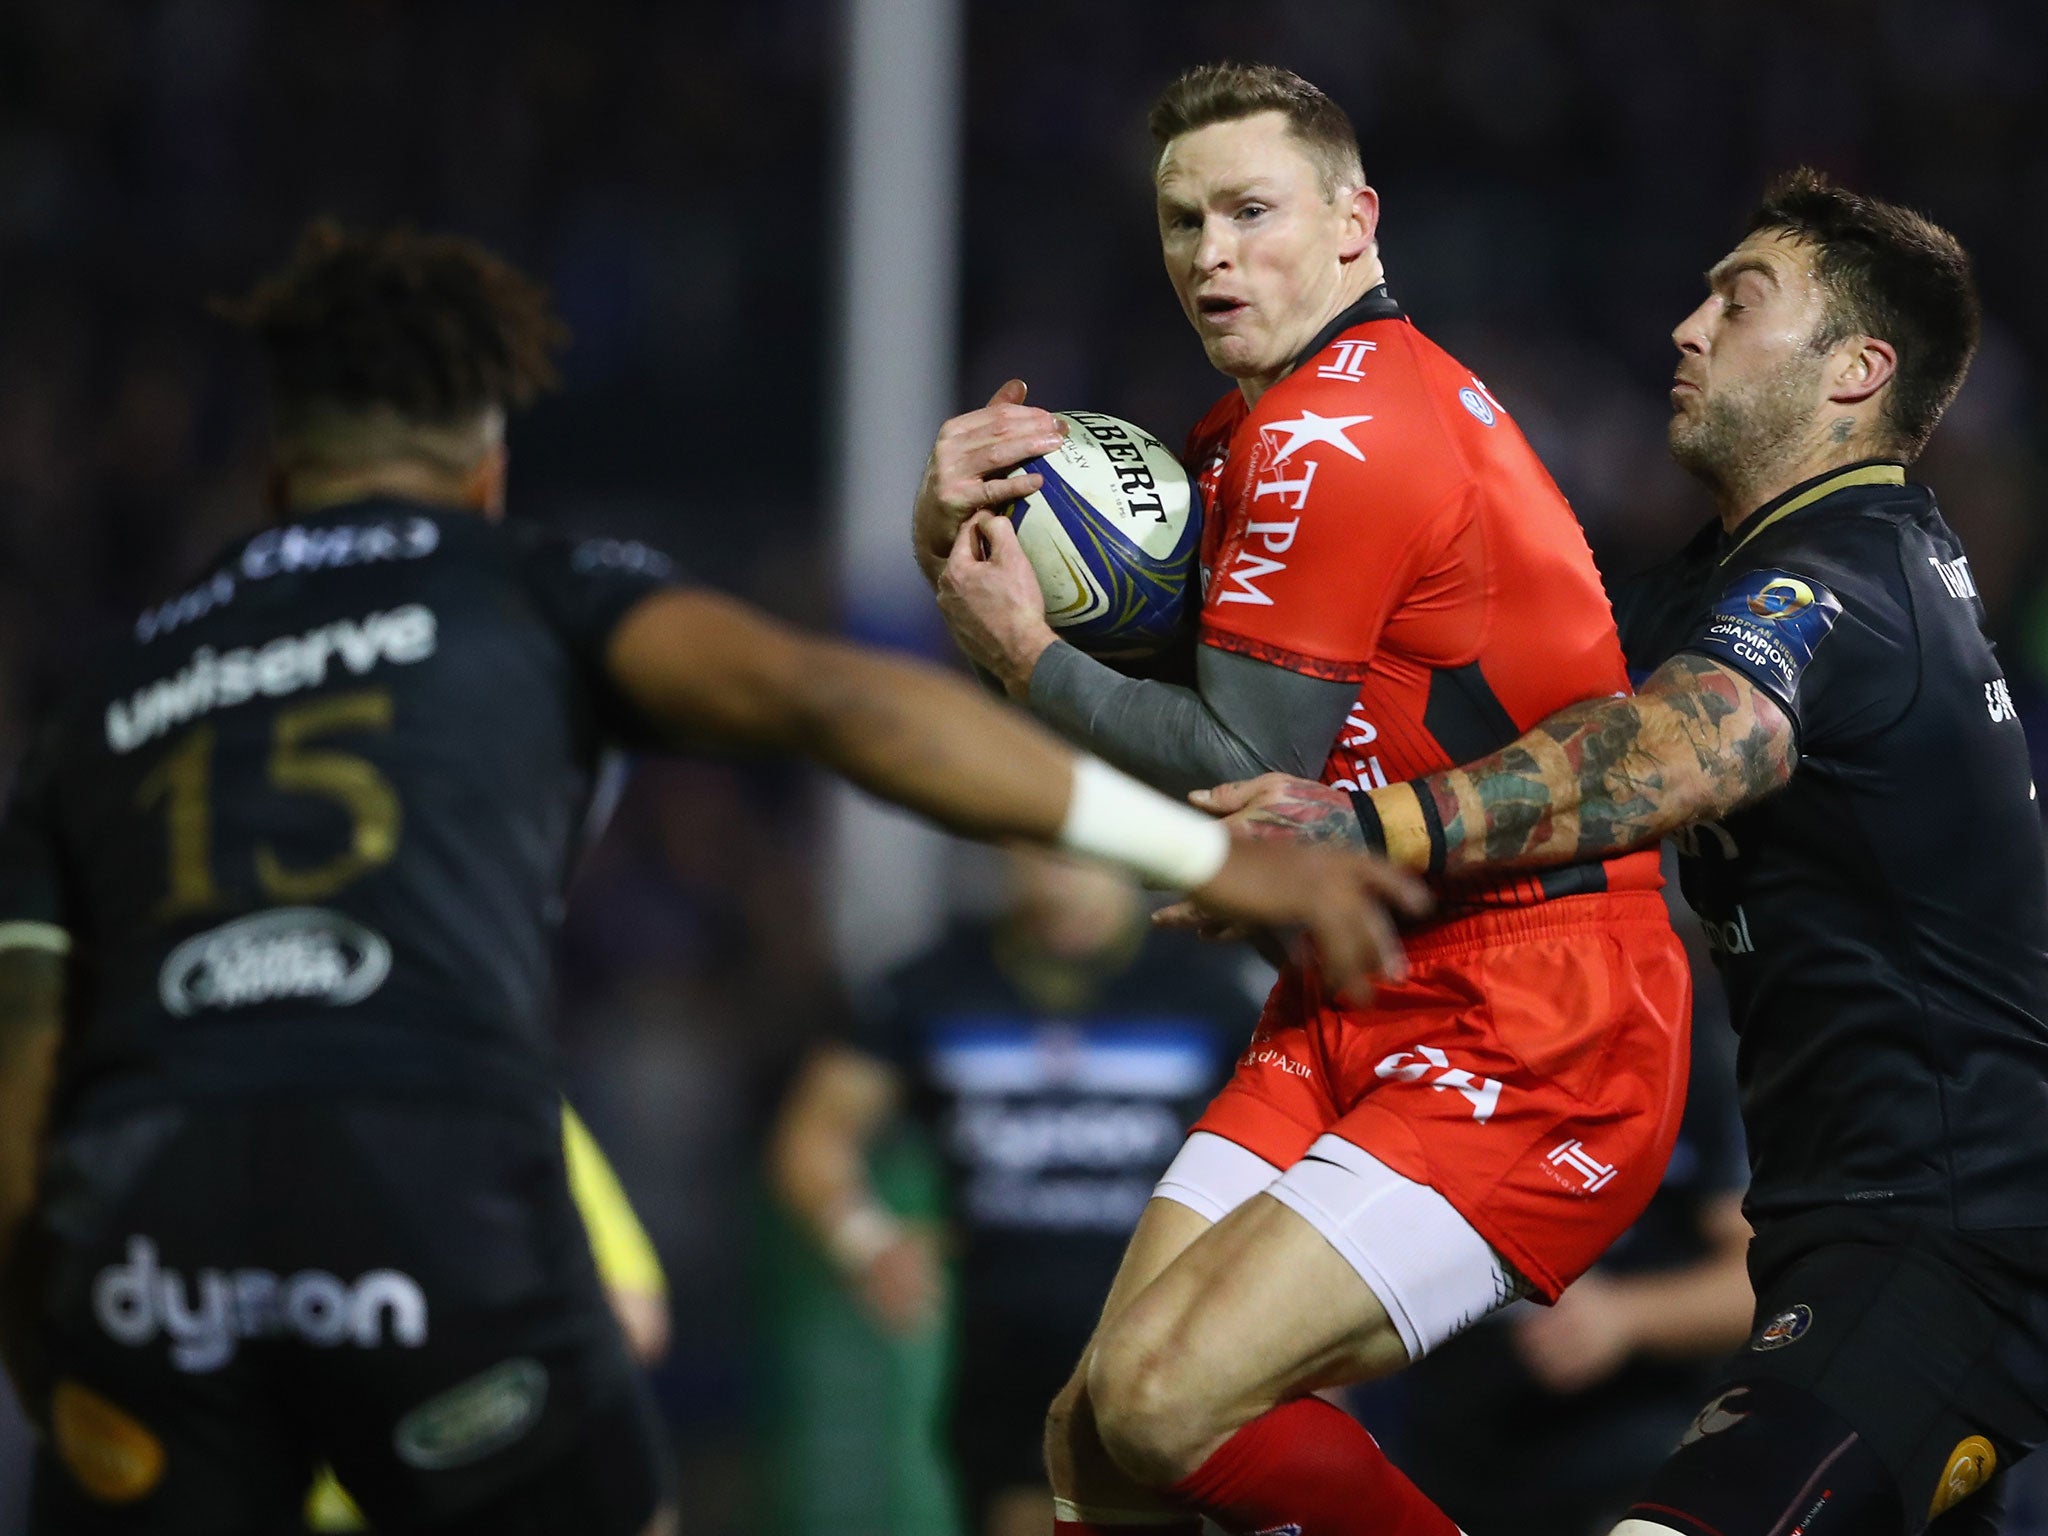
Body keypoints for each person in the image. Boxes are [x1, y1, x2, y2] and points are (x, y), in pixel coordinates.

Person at [0, 222, 1423, 1536]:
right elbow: (837, 706)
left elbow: (25, 1067)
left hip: (148, 1232)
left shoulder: (104, 702)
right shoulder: (524, 583)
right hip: (416, 1176)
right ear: (487, 471)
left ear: (273, 475)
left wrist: (56, 1337)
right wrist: (1204, 846)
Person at [1199, 169, 2047, 1534]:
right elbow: (1459, 680)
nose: (1686, 326)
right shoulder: (1721, 588)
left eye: (1738, 299)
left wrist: (1367, 831)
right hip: (1853, 1243)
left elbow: (1676, 748)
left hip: (1944, 1252)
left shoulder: (1847, 580)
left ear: (1857, 371)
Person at [915, 62, 1692, 1536]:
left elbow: (1212, 748)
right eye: (1183, 219)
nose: (1211, 253)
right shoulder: (1247, 440)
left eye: (1251, 211)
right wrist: (948, 533)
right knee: (1094, 1444)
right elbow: (1176, 736)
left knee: (1160, 1402)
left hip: (1536, 1016)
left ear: (1356, 222)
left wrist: (1021, 658)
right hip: (1360, 984)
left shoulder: (1345, 430)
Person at [770, 848, 1258, 1536]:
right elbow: (815, 1131)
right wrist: (865, 1240)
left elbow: (1300, 1148)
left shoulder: (1207, 986)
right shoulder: (937, 983)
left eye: (1086, 847)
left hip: (1167, 1343)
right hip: (1004, 1350)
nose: (1064, 869)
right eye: (1041, 841)